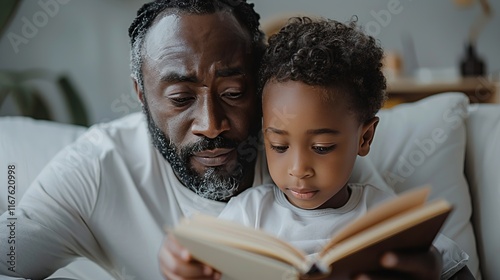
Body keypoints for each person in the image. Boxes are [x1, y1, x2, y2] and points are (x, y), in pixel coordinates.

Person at [0, 1, 470, 279]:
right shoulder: (98, 166)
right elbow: (13, 249)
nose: (211, 124)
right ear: (142, 94)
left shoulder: (319, 161)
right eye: (181, 97)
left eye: (233, 92)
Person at [215, 16, 470, 280]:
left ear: (365, 138)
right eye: (279, 146)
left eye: (322, 148)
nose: (298, 169)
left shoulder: (384, 214)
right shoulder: (249, 214)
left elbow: (455, 269)